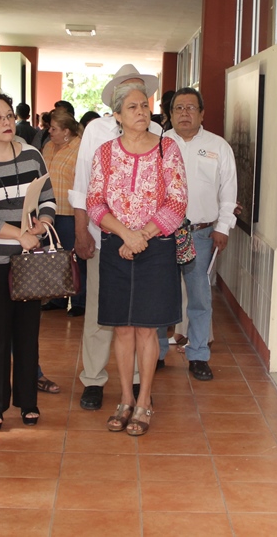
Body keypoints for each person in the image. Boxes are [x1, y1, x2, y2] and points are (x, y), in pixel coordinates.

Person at [86, 79, 187, 436]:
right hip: (117, 247)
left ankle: (145, 400)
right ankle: (125, 398)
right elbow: (95, 202)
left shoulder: (167, 149)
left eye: (145, 105)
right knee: (122, 329)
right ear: (116, 115)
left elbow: (177, 203)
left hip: (155, 248)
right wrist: (125, 235)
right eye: (132, 107)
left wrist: (141, 235)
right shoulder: (105, 153)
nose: (142, 112)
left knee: (146, 329)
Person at [70, 64, 164, 412]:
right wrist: (82, 232)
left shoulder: (158, 134)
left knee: (142, 317)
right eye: (129, 95)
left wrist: (141, 235)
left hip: (149, 243)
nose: (138, 103)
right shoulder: (96, 131)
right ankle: (94, 379)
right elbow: (83, 189)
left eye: (142, 94)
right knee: (100, 313)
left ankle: (140, 383)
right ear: (116, 100)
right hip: (104, 238)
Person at [0, 91, 56, 430]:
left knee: (27, 331)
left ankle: (28, 401)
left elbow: (47, 198)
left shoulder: (32, 154)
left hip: (28, 259)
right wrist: (17, 234)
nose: (7, 123)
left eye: (9, 115)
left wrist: (42, 223)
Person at [161, 87, 237, 381]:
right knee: (161, 296)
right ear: (170, 114)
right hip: (163, 234)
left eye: (191, 108)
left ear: (202, 113)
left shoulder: (219, 147)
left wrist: (223, 227)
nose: (184, 113)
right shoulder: (159, 144)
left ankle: (198, 355)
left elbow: (228, 190)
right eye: (178, 108)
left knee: (200, 297)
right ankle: (155, 353)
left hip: (202, 234)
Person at [41, 108, 85, 316]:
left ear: (66, 131)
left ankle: (79, 300)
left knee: (73, 257)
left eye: (53, 128)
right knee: (54, 257)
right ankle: (58, 298)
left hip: (69, 212)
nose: (49, 131)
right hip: (48, 212)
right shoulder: (48, 147)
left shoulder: (79, 148)